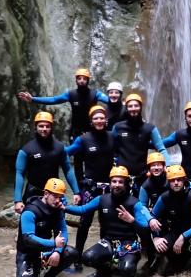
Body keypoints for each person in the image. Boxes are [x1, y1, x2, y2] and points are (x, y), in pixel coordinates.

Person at [63, 166, 152, 277]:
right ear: (110, 183)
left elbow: (145, 231)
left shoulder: (134, 203)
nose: (117, 185)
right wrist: (63, 207)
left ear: (126, 184)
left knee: (126, 269)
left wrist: (132, 220)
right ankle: (105, 271)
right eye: (114, 181)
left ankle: (125, 266)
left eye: (120, 182)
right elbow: (83, 210)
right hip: (108, 242)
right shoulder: (102, 199)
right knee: (88, 257)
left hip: (128, 243)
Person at [64, 105, 116, 271]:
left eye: (102, 118)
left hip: (109, 187)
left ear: (106, 120)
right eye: (96, 118)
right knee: (85, 222)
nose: (99, 120)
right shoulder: (84, 139)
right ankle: (77, 257)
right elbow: (66, 152)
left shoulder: (112, 136)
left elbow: (127, 150)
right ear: (91, 121)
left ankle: (103, 258)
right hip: (90, 187)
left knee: (106, 223)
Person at [148, 165, 191, 277]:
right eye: (172, 180)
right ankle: (178, 261)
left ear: (184, 180)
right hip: (176, 232)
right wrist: (156, 237)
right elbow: (152, 217)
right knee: (163, 249)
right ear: (169, 182)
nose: (176, 183)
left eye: (179, 180)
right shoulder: (164, 197)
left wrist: (183, 236)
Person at [14, 112, 81, 214]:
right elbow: (19, 174)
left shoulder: (59, 148)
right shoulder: (26, 150)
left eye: (47, 126)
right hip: (33, 193)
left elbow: (67, 170)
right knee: (30, 223)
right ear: (36, 127)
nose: (44, 129)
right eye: (41, 126)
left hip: (55, 193)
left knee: (56, 225)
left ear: (51, 128)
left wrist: (76, 192)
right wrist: (17, 200)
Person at [17, 68, 110, 140]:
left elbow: (110, 101)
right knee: (77, 158)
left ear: (88, 80)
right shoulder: (71, 94)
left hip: (92, 129)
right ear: (76, 80)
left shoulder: (95, 94)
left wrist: (122, 103)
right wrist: (33, 99)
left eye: (84, 78)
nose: (82, 80)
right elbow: (54, 100)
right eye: (79, 78)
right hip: (76, 131)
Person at [16, 178, 79, 277]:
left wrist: (57, 252)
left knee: (72, 253)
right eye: (55, 196)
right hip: (27, 254)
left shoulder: (57, 209)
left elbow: (62, 232)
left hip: (45, 251)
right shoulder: (30, 211)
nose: (58, 200)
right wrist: (54, 244)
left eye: (60, 197)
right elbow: (28, 239)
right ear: (46, 194)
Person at [112, 93, 170, 195]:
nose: (133, 108)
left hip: (142, 177)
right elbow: (111, 149)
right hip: (121, 178)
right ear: (126, 108)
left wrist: (168, 167)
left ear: (141, 107)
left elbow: (161, 148)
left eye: (136, 105)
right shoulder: (118, 127)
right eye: (130, 106)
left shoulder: (149, 128)